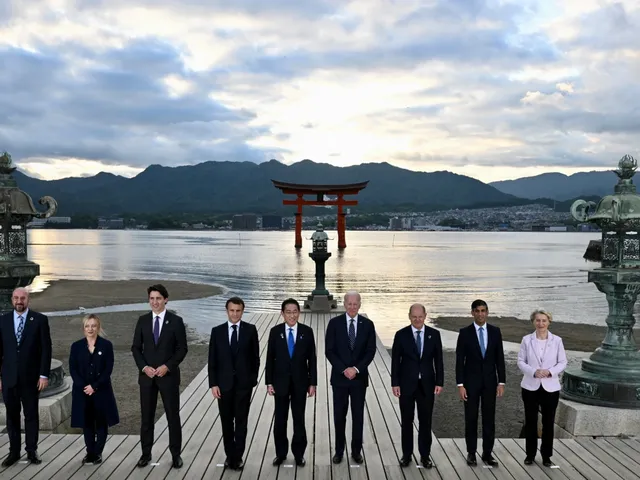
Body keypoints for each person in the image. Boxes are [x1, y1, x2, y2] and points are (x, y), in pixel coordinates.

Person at [131, 284, 188, 469]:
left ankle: (176, 455)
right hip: (147, 378)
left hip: (168, 377)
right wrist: (144, 367)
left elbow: (182, 349)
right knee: (146, 418)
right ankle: (145, 454)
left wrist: (167, 366)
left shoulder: (176, 321)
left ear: (166, 299)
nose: (155, 302)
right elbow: (136, 348)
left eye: (158, 298)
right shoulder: (142, 321)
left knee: (173, 417)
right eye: (152, 298)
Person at [0, 287, 52, 467]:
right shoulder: (3, 321)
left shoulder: (39, 320)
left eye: (22, 298)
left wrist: (44, 375)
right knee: (12, 417)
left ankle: (32, 451)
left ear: (28, 299)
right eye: (16, 298)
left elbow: (46, 349)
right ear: (12, 300)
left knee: (31, 416)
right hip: (9, 379)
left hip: (31, 379)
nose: (19, 301)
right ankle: (14, 452)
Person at [208, 296, 260, 471]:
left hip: (244, 385)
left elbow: (255, 358)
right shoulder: (217, 331)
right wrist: (213, 384)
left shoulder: (250, 330)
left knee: (241, 422)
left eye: (238, 311)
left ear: (242, 311)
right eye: (232, 310)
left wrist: (252, 379)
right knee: (226, 422)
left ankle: (238, 457)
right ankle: (230, 455)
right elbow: (212, 360)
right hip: (224, 385)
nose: (235, 314)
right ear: (227, 311)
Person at [325, 290, 376, 464]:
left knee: (358, 416)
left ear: (360, 304)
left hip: (359, 379)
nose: (352, 307)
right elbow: (329, 351)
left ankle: (356, 451)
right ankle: (339, 451)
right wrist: (343, 369)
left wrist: (355, 369)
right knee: (339, 416)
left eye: (356, 304)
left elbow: (370, 351)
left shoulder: (368, 325)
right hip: (339, 379)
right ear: (344, 304)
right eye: (349, 304)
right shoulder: (334, 323)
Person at [266, 298, 317, 467]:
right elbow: (270, 359)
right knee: (280, 420)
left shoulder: (307, 331)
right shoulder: (275, 332)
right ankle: (280, 454)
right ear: (282, 314)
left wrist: (312, 383)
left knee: (299, 419)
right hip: (279, 383)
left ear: (299, 313)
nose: (292, 315)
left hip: (300, 383)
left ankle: (299, 454)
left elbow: (312, 360)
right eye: (288, 312)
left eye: (295, 311)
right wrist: (269, 382)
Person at [391, 304, 444, 468]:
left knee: (425, 422)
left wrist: (439, 382)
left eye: (420, 316)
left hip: (427, 385)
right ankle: (406, 455)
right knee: (407, 421)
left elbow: (439, 361)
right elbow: (395, 362)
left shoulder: (434, 334)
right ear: (409, 316)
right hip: (406, 385)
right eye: (414, 316)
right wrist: (395, 383)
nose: (417, 319)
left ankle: (425, 456)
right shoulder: (401, 335)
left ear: (425, 315)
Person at [455, 299, 505, 467]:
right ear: (472, 313)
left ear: (487, 312)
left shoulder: (495, 331)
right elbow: (459, 360)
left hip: (490, 383)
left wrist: (502, 382)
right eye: (477, 311)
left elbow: (500, 359)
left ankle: (487, 453)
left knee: (489, 419)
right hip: (470, 383)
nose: (480, 313)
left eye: (483, 310)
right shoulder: (464, 333)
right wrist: (460, 385)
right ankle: (471, 453)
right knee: (471, 418)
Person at [517, 309, 567, 467]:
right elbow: (520, 361)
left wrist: (550, 372)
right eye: (538, 320)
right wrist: (533, 371)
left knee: (548, 422)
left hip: (550, 387)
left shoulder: (557, 340)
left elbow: (563, 362)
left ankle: (546, 456)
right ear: (533, 322)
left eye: (544, 320)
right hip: (530, 386)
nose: (541, 323)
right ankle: (530, 455)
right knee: (531, 421)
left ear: (549, 322)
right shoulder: (526, 340)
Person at [69, 314, 119, 464]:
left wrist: (94, 386)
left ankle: (98, 452)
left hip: (101, 391)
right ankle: (89, 452)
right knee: (87, 423)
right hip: (82, 392)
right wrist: (84, 387)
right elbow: (73, 369)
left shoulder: (106, 345)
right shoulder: (76, 346)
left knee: (101, 422)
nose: (90, 329)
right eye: (87, 326)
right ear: (83, 328)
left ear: (98, 327)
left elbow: (108, 369)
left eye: (93, 326)